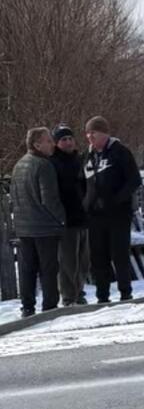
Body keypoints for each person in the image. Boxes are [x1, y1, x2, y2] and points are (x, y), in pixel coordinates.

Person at [83, 116, 142, 304]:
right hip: (95, 216)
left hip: (118, 214)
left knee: (119, 254)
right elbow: (82, 182)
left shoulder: (120, 152)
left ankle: (125, 292)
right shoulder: (88, 156)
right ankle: (102, 296)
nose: (90, 137)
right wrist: (86, 204)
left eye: (94, 133)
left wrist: (116, 200)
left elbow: (135, 180)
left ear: (104, 134)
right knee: (98, 256)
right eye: (88, 133)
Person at [10, 127, 65, 317]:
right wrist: (62, 218)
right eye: (48, 141)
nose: (52, 144)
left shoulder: (19, 165)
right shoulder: (44, 165)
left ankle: (27, 306)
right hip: (44, 226)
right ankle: (50, 307)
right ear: (37, 144)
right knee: (48, 269)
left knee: (28, 269)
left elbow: (15, 196)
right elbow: (49, 199)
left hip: (24, 227)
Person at [50, 125, 89, 307]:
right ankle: (68, 296)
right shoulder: (53, 163)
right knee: (68, 261)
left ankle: (79, 292)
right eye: (63, 140)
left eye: (70, 139)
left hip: (82, 217)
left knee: (83, 260)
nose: (68, 142)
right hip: (66, 218)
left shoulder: (79, 160)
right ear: (57, 143)